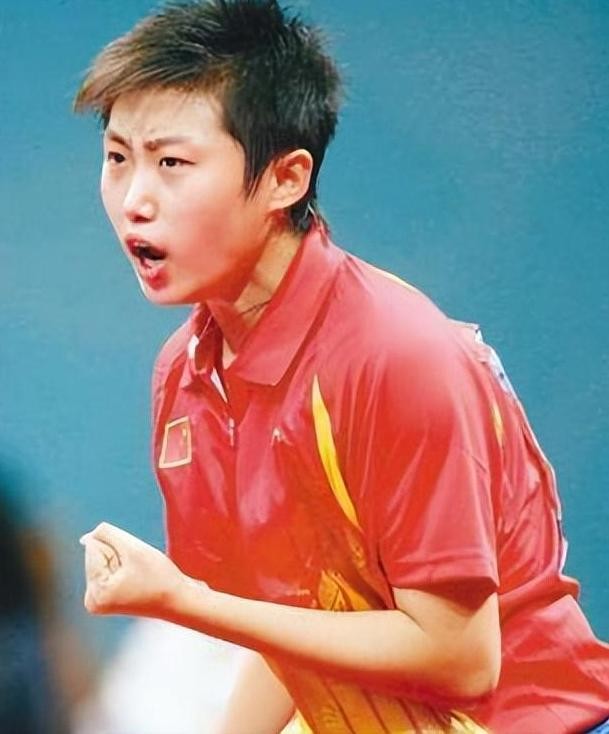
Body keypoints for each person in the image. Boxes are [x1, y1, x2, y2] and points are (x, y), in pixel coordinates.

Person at [74, 1, 609, 731]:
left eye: (172, 163)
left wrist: (183, 602)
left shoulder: (395, 355)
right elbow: (297, 623)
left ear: (285, 178)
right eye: (117, 158)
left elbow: (459, 656)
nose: (135, 200)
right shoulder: (188, 374)